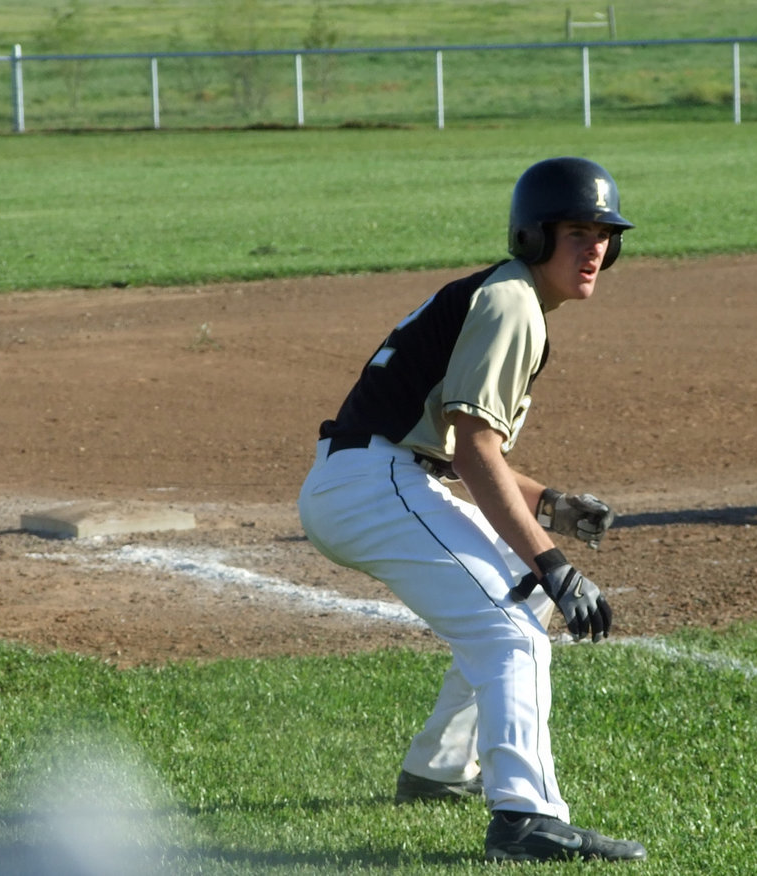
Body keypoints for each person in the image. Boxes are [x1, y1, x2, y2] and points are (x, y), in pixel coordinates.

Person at [297, 156, 647, 864]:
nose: (595, 249)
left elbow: (458, 451)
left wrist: (549, 505)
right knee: (515, 635)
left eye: (605, 235)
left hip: (370, 477)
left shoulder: (507, 294)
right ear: (533, 236)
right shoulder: (512, 302)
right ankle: (525, 818)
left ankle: (439, 769)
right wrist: (555, 563)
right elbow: (473, 447)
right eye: (577, 233)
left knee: (520, 600)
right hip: (375, 482)